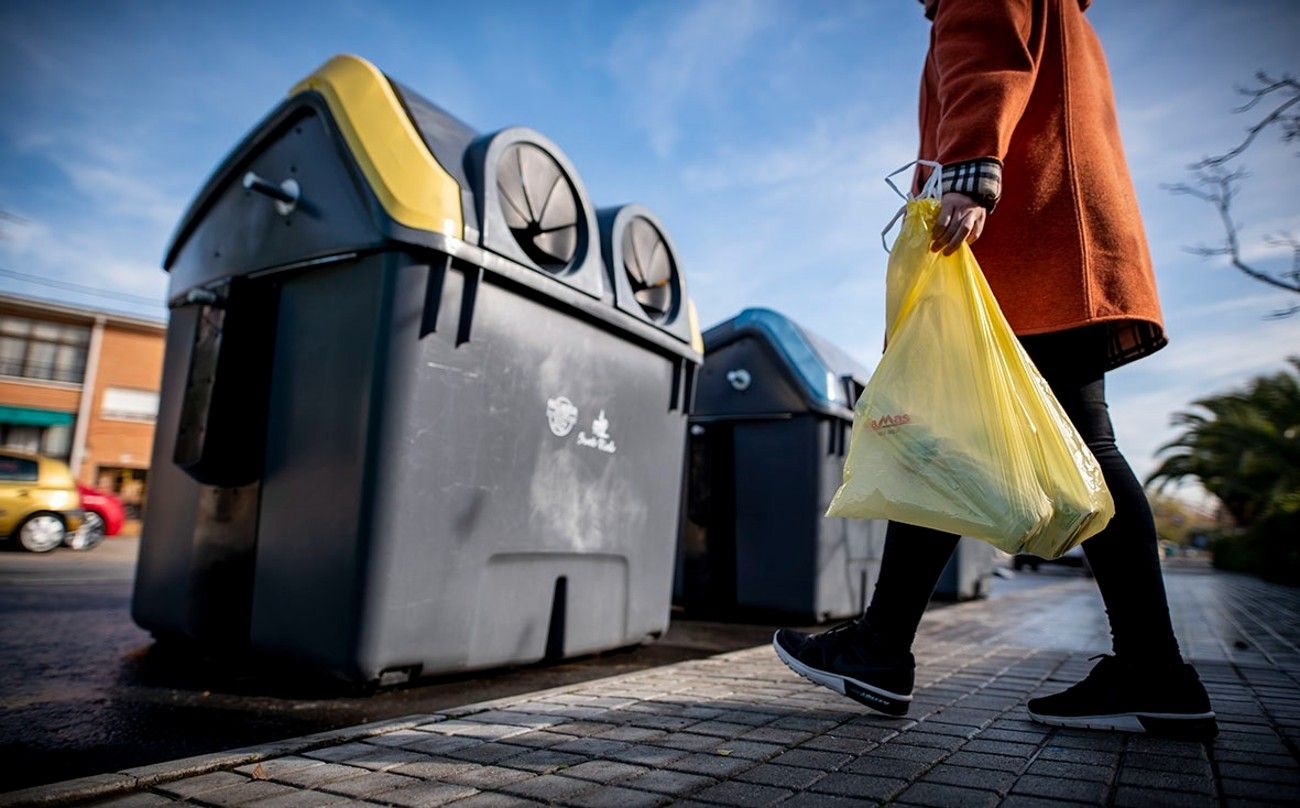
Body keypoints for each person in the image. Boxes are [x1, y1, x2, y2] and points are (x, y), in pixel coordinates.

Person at [773, 0, 1217, 737]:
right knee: (960, 440)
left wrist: (972, 168)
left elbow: (984, 48)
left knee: (1058, 445)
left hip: (1030, 234)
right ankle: (885, 648)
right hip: (1061, 227)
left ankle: (1153, 670)